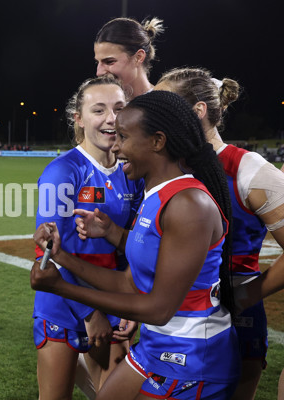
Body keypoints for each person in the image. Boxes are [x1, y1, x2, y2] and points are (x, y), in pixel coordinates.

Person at [31, 90, 240, 399]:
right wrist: (62, 256)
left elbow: (158, 309)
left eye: (124, 137)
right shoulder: (153, 194)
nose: (116, 146)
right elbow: (129, 282)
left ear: (157, 141)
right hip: (158, 344)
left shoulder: (188, 203)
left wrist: (62, 287)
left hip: (191, 354)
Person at [151, 67, 284, 400]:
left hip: (234, 318)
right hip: (169, 318)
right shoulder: (165, 167)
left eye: (167, 106)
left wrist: (248, 295)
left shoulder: (248, 168)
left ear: (198, 111)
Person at [32, 75, 144, 399]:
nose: (111, 118)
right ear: (79, 119)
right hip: (64, 306)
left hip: (111, 301)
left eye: (119, 108)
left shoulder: (132, 172)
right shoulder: (63, 171)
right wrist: (90, 314)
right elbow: (48, 253)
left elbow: (130, 249)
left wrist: (128, 306)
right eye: (99, 110)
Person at [94, 17, 164, 100]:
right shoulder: (100, 106)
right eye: (97, 62)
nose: (99, 72)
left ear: (138, 57)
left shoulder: (166, 105)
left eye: (109, 62)